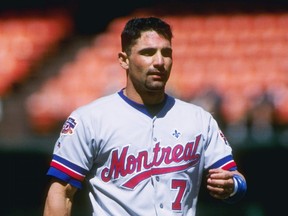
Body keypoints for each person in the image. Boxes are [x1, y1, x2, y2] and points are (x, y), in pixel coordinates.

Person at [43, 17, 247, 216]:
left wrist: (233, 185)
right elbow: (61, 193)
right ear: (124, 60)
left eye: (166, 53)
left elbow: (234, 178)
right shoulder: (90, 119)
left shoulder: (199, 119)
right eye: (148, 53)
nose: (159, 61)